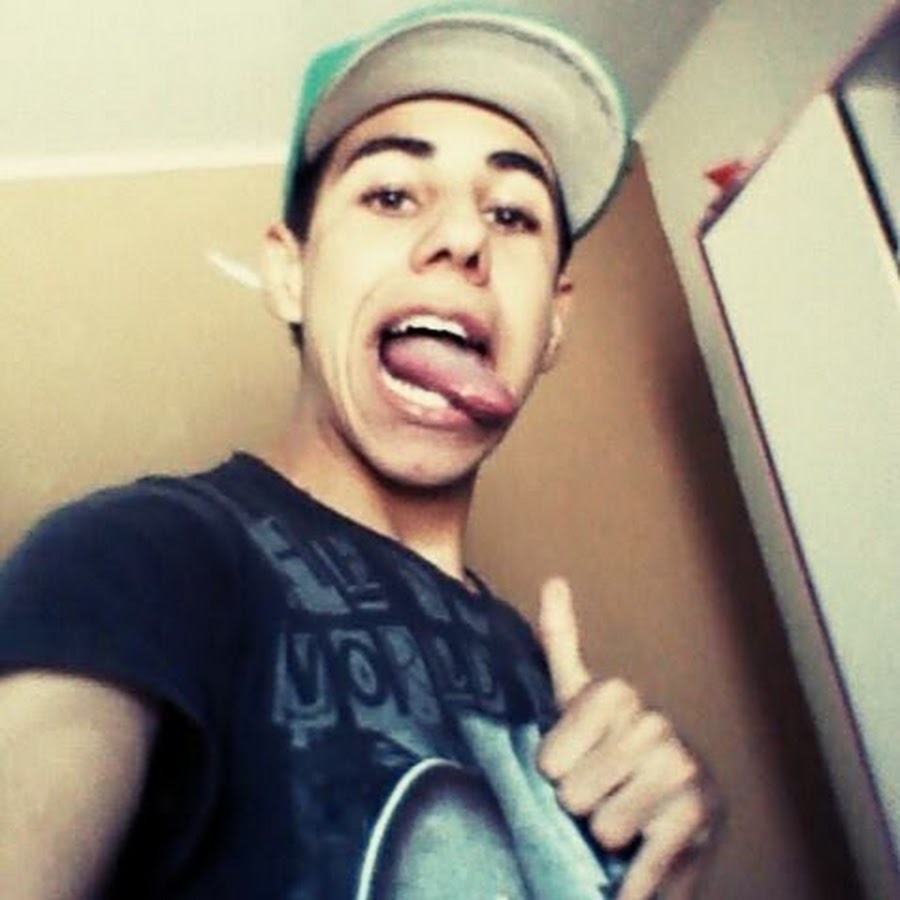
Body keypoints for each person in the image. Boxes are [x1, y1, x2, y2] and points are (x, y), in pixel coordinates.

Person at [0, 5, 716, 899]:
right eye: (391, 195)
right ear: (291, 273)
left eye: (512, 213)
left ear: (554, 322)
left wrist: (657, 867)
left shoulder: (533, 671)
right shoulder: (135, 555)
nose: (465, 238)